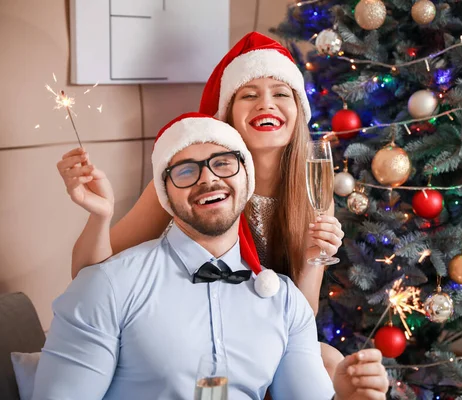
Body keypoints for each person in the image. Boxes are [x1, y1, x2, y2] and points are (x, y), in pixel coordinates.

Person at [34, 113, 388, 400]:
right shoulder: (109, 285)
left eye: (223, 163)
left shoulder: (284, 301)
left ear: (245, 180)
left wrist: (347, 397)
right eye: (186, 170)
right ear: (165, 195)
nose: (208, 179)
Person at [57, 32, 345, 375]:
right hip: (185, 338)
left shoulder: (313, 191)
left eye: (281, 93)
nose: (266, 104)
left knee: (327, 362)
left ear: (298, 110)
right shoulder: (193, 182)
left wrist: (314, 258)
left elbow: (301, 315)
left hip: (265, 336)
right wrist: (100, 216)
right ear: (227, 114)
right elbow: (88, 276)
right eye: (249, 95)